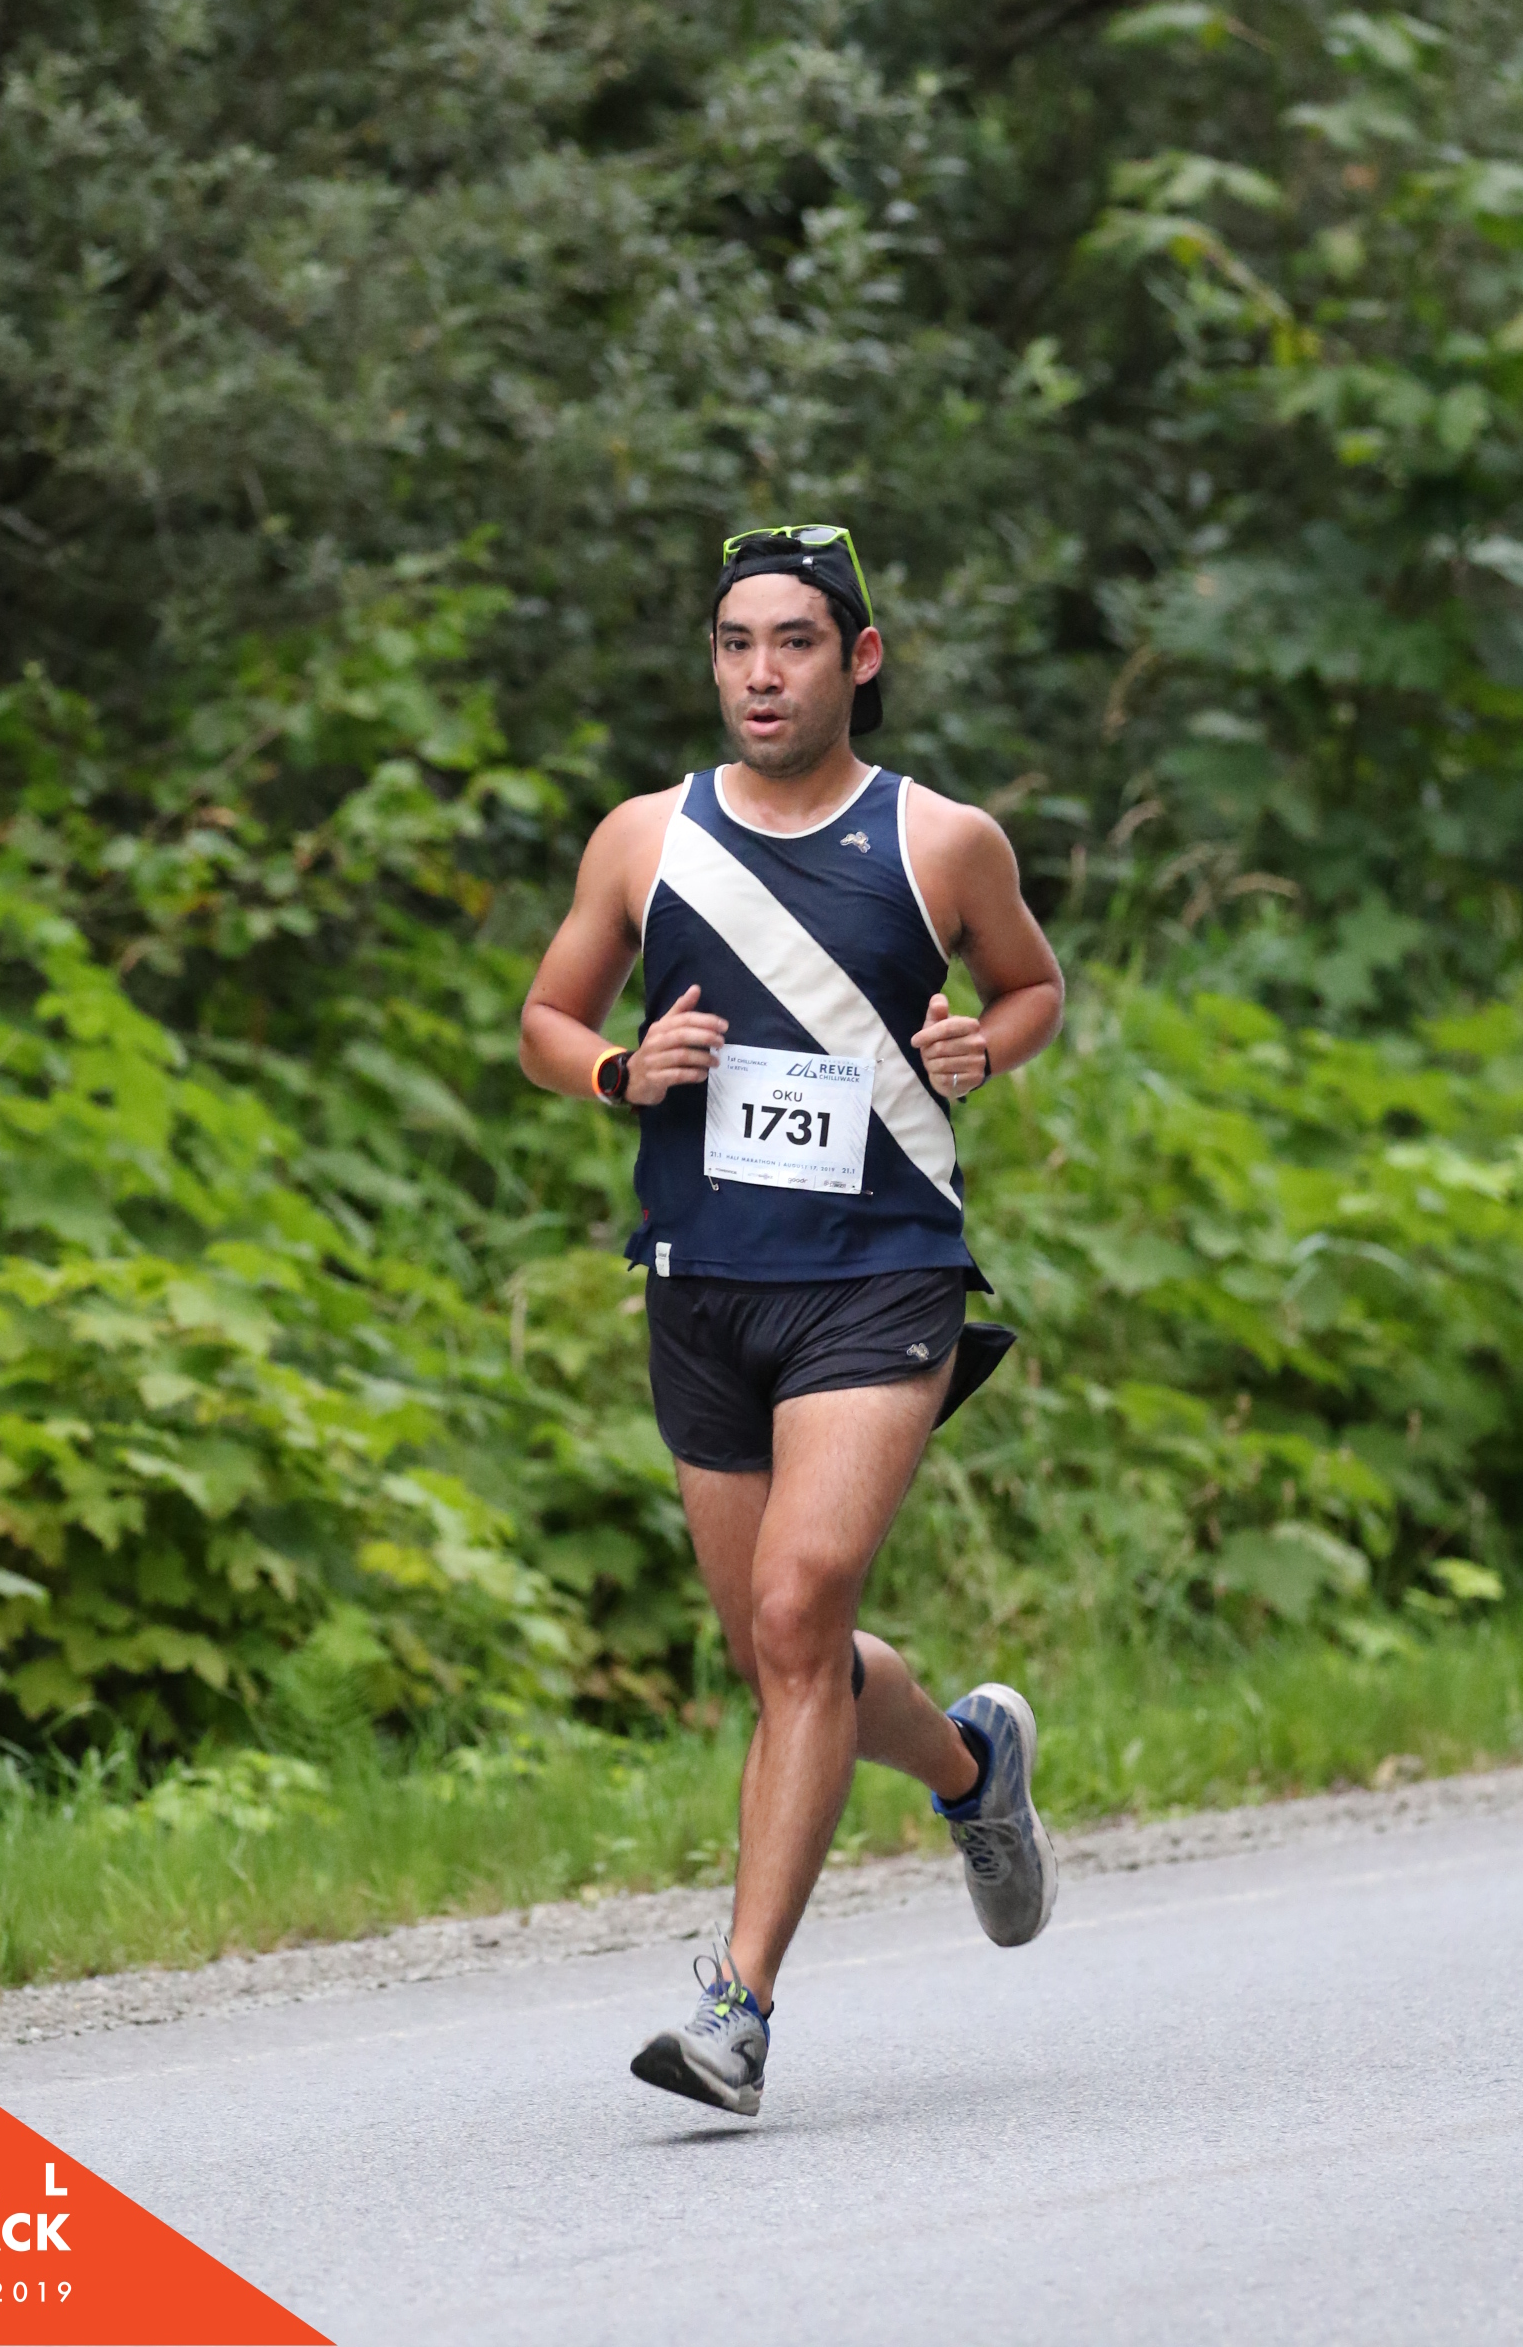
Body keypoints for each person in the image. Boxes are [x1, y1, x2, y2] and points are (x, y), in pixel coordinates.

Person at [519, 523, 1066, 2115]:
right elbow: (547, 1018)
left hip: (881, 1271)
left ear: (859, 658)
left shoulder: (942, 840)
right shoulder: (646, 838)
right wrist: (620, 1070)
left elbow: (1032, 987)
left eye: (795, 643)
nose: (760, 675)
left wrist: (984, 1048)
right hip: (705, 1284)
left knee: (802, 1603)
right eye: (735, 644)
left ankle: (736, 2010)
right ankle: (971, 1766)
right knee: (784, 1653)